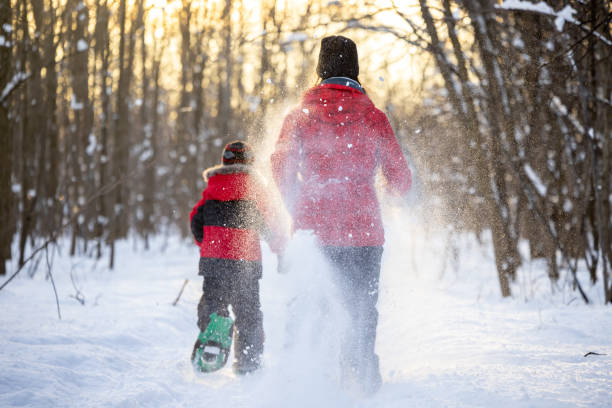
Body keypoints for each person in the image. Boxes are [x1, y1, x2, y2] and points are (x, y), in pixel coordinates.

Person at [270, 35, 412, 394]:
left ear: (321, 69)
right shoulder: (374, 117)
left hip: (313, 235)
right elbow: (401, 180)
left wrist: (300, 204)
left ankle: (306, 387)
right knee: (362, 312)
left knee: (311, 310)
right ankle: (363, 385)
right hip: (364, 235)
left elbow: (281, 166)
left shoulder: (300, 116)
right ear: (355, 70)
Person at [190, 140, 286, 375]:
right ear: (250, 163)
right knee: (249, 313)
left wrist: (206, 243)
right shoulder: (254, 189)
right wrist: (279, 248)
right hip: (245, 263)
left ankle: (215, 321)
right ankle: (248, 361)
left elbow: (195, 219)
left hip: (214, 262)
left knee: (213, 301)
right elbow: (270, 224)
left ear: (224, 161)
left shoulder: (212, 187)